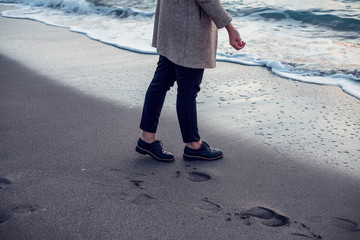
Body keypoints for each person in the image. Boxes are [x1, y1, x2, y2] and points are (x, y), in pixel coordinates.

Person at [136, 0, 246, 162]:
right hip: (188, 27)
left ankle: (147, 139)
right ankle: (193, 145)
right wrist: (230, 27)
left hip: (172, 21)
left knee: (161, 82)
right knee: (187, 89)